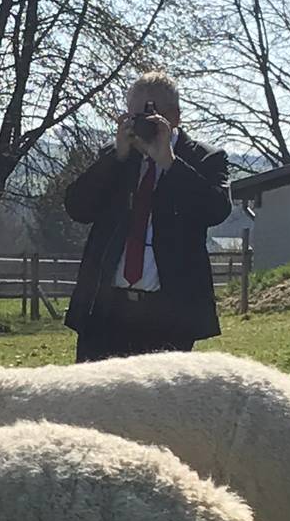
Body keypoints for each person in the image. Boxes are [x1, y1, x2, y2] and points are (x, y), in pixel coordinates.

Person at [60, 70, 234, 363]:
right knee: (96, 404)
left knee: (160, 407)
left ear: (174, 117)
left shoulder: (204, 158)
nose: (142, 123)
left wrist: (169, 163)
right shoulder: (116, 157)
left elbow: (216, 210)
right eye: (134, 114)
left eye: (151, 114)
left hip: (168, 315)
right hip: (106, 310)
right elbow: (78, 208)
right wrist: (116, 158)